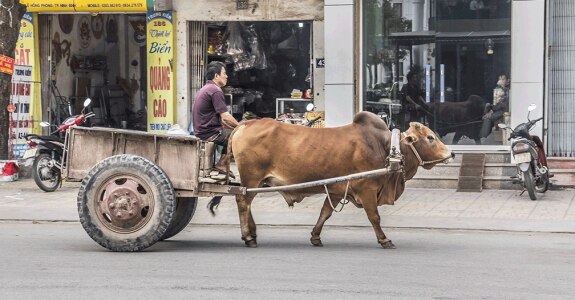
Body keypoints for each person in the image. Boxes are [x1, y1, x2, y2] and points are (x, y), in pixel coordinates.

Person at [192, 61, 239, 177]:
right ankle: (222, 163)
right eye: (224, 73)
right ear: (216, 76)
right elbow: (226, 117)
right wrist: (241, 127)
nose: (226, 76)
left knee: (233, 131)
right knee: (238, 135)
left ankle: (222, 163)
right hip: (209, 132)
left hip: (203, 130)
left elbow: (223, 120)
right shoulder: (215, 91)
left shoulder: (207, 88)